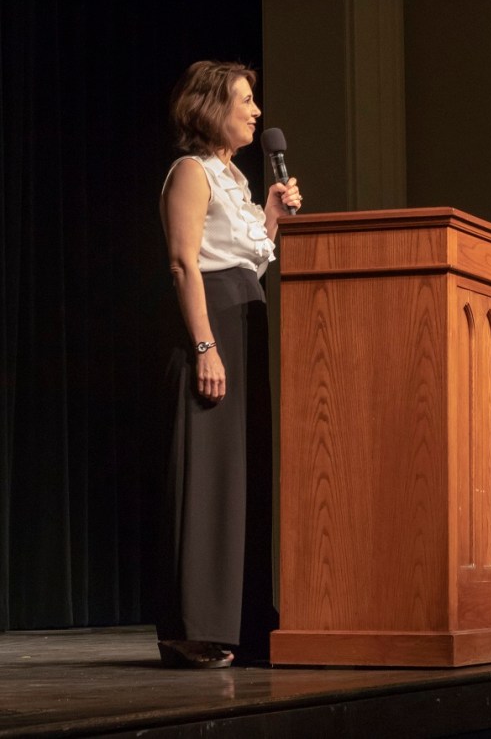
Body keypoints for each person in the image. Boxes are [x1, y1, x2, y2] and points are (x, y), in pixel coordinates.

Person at [155, 60, 302, 668]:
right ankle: (193, 627)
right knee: (208, 477)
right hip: (212, 325)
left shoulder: (236, 179)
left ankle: (240, 619)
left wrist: (269, 214)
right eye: (245, 100)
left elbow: (250, 264)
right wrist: (205, 346)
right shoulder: (190, 172)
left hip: (247, 317)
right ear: (213, 106)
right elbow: (186, 264)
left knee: (244, 475)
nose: (256, 111)